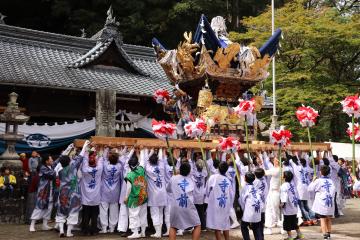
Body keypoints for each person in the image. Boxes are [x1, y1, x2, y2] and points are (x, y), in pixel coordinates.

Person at [55, 141, 89, 237]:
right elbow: (80, 158)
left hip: (63, 193)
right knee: (73, 212)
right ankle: (69, 232)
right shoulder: (73, 167)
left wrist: (68, 149)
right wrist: (85, 146)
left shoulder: (59, 170)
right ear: (69, 161)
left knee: (61, 212)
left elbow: (61, 160)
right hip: (74, 193)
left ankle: (61, 230)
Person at [166, 161, 201, 240]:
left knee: (173, 227)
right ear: (189, 171)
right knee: (197, 225)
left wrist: (175, 176)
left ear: (180, 169)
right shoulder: (192, 179)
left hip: (176, 206)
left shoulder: (173, 178)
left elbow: (168, 189)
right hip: (188, 205)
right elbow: (194, 192)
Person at [141, 148, 167, 238]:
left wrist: (147, 150)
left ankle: (158, 232)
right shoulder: (161, 166)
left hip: (154, 196)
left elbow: (144, 161)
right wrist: (160, 149)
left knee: (155, 214)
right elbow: (160, 159)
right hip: (163, 194)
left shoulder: (148, 169)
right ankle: (159, 232)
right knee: (160, 213)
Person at [29, 154, 57, 232]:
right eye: (51, 159)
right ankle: (32, 224)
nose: (52, 160)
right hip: (44, 192)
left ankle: (44, 225)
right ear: (46, 161)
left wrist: (69, 149)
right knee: (39, 207)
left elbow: (58, 160)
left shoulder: (51, 166)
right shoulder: (43, 168)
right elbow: (52, 174)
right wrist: (57, 170)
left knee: (49, 208)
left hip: (51, 191)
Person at [206, 161, 233, 240]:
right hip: (226, 204)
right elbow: (231, 194)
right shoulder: (228, 180)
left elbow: (207, 191)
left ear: (218, 168)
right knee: (225, 224)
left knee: (217, 226)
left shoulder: (213, 177)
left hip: (216, 204)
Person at [80, 147, 104, 235]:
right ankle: (94, 230)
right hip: (95, 197)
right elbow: (101, 160)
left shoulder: (85, 169)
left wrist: (87, 151)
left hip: (86, 197)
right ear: (96, 163)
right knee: (94, 214)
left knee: (85, 214)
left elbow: (85, 160)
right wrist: (100, 150)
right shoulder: (99, 169)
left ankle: (84, 230)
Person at [308, 165, 336, 240]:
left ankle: (325, 236)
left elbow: (310, 189)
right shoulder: (331, 181)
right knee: (328, 219)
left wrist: (313, 180)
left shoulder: (318, 180)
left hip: (322, 203)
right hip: (330, 203)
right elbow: (334, 192)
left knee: (323, 219)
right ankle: (329, 235)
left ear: (321, 172)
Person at [99, 148, 123, 234]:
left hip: (105, 191)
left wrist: (106, 148)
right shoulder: (119, 166)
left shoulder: (105, 165)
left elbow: (103, 158)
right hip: (115, 192)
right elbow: (122, 160)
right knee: (114, 210)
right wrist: (117, 154)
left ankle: (104, 228)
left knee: (103, 210)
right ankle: (112, 228)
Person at [124, 153, 148, 239]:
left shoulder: (130, 175)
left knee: (133, 215)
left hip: (134, 198)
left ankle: (135, 232)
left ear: (130, 165)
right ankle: (143, 232)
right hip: (143, 196)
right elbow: (142, 161)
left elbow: (129, 188)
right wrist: (141, 151)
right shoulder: (141, 169)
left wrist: (126, 197)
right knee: (143, 215)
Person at [239, 172, 264, 240]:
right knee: (256, 227)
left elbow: (241, 201)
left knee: (243, 226)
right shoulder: (256, 188)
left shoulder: (244, 188)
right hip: (258, 210)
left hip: (249, 211)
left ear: (245, 179)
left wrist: (244, 211)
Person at [280, 171, 304, 240]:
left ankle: (290, 237)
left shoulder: (284, 186)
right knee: (294, 222)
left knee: (287, 223)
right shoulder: (293, 185)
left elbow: (284, 197)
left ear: (284, 177)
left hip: (288, 208)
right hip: (294, 207)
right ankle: (300, 234)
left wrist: (282, 204)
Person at [117, 147, 135, 237]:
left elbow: (125, 160)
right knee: (132, 213)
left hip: (126, 195)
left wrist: (131, 150)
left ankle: (125, 229)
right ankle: (133, 229)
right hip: (132, 196)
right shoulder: (138, 171)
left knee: (125, 213)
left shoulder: (126, 171)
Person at [263, 153, 281, 235]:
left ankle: (270, 228)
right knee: (275, 210)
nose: (274, 161)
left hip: (275, 192)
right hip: (274, 192)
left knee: (271, 210)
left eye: (276, 160)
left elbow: (264, 172)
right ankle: (281, 227)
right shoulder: (278, 169)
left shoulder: (277, 170)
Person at [190, 153, 208, 231]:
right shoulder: (204, 173)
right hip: (201, 194)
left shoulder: (193, 173)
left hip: (194, 194)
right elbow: (204, 166)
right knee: (201, 211)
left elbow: (191, 165)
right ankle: (203, 227)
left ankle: (195, 226)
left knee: (194, 211)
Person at [253, 167, 268, 239]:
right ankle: (262, 238)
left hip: (257, 206)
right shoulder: (264, 180)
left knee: (256, 225)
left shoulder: (255, 182)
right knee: (261, 225)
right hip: (263, 205)